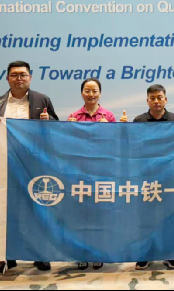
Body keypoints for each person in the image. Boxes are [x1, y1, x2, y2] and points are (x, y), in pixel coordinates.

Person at [0, 61, 58, 275]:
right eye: (14, 75)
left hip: (34, 165)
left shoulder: (42, 100)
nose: (19, 78)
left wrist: (48, 120)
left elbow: (56, 128)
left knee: (37, 210)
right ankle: (7, 257)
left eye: (23, 74)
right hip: (6, 165)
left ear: (30, 77)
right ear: (7, 79)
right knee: (8, 211)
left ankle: (39, 255)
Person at [120, 84, 174, 271]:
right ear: (147, 101)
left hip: (170, 177)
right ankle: (145, 255)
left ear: (165, 99)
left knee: (171, 217)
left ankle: (171, 255)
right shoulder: (139, 120)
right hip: (146, 177)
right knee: (146, 218)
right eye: (153, 98)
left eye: (160, 97)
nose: (156, 101)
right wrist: (124, 128)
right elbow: (131, 144)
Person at [68, 78, 115, 270]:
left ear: (100, 94)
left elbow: (116, 142)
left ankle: (99, 252)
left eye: (94, 91)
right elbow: (66, 143)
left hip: (102, 172)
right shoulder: (74, 116)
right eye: (87, 91)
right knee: (81, 215)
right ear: (82, 93)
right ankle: (81, 253)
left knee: (100, 214)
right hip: (80, 172)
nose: (91, 94)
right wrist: (68, 128)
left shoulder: (108, 116)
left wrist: (109, 128)